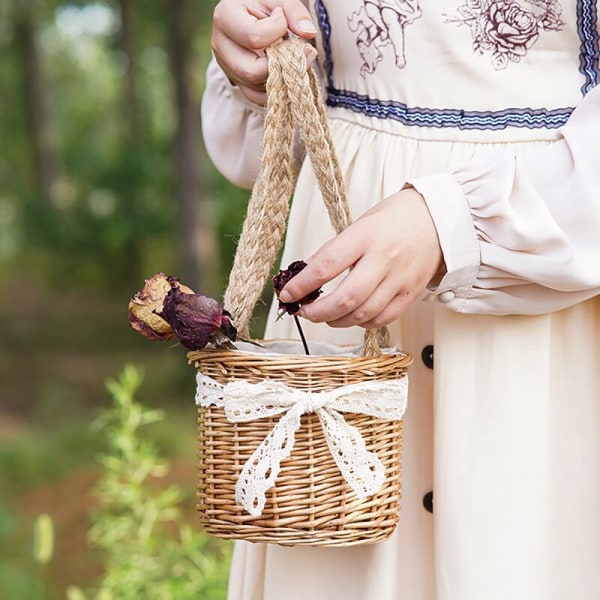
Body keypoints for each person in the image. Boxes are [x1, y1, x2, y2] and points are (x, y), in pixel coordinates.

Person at [201, 1, 600, 598]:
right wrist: (252, 56)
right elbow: (255, 152)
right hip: (341, 288)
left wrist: (453, 223)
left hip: (549, 297)